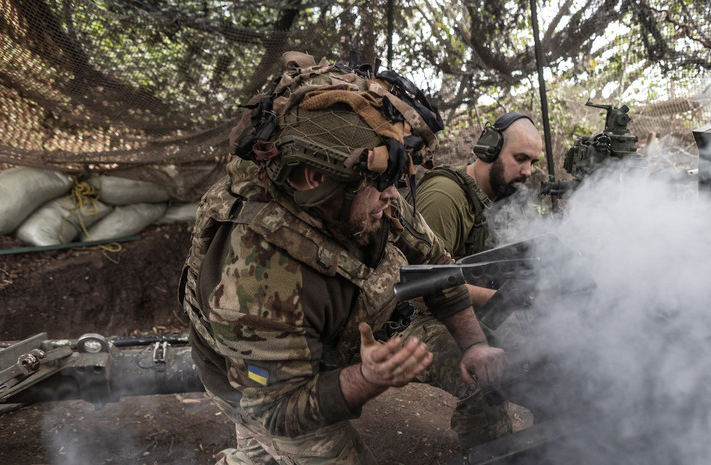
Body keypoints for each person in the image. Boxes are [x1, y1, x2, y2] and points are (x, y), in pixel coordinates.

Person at [179, 51, 508, 464]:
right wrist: (368, 378)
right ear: (315, 178)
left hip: (335, 338)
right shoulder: (255, 275)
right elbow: (278, 408)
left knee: (480, 370)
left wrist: (474, 345)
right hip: (261, 382)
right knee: (274, 436)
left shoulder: (369, 192)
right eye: (381, 183)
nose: (394, 196)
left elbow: (439, 267)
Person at [413, 112, 543, 258]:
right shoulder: (443, 198)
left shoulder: (497, 198)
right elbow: (424, 277)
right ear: (490, 149)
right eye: (520, 158)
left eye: (532, 163)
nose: (528, 171)